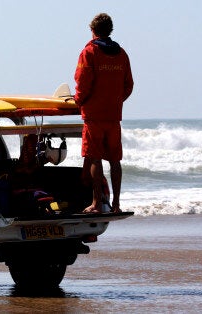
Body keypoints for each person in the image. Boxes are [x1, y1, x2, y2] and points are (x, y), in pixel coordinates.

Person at [74, 13, 134, 214]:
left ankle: (97, 204)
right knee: (115, 160)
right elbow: (128, 85)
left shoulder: (89, 52)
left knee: (94, 158)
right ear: (110, 31)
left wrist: (78, 101)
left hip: (93, 114)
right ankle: (116, 204)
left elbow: (83, 83)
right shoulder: (122, 54)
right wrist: (115, 101)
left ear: (93, 31)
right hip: (113, 115)